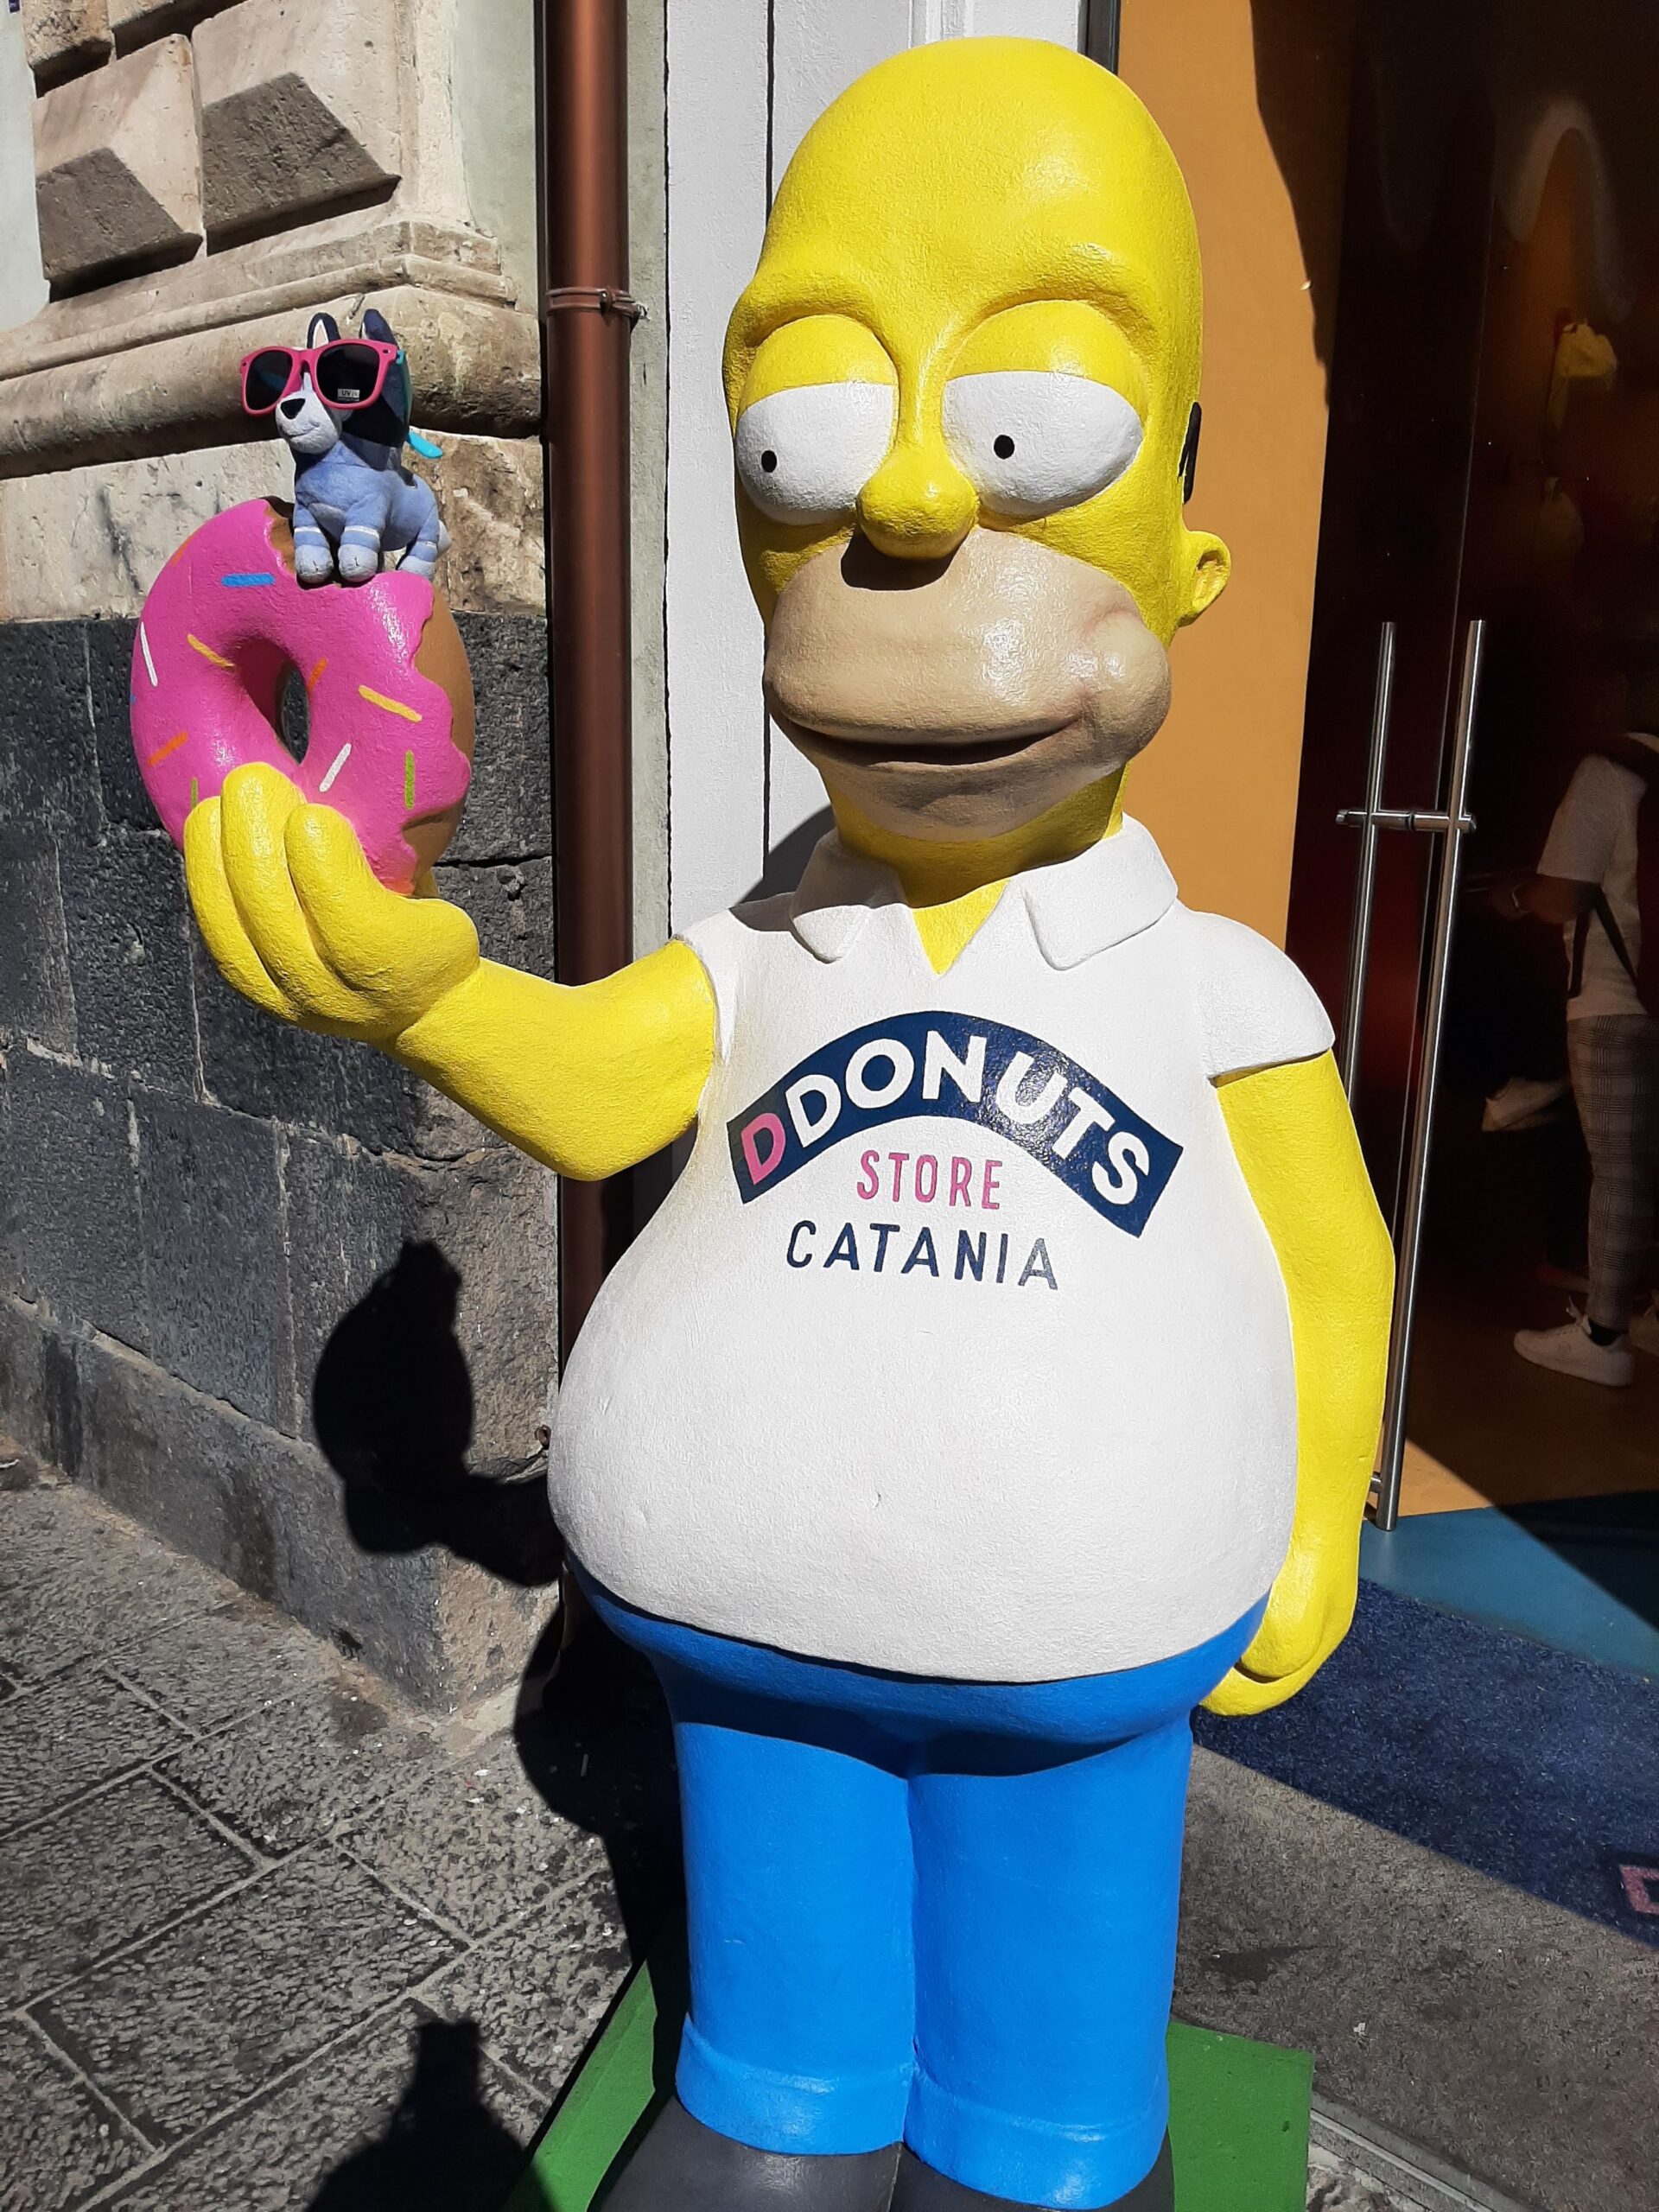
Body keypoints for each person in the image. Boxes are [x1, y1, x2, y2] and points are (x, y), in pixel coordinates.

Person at [180, 42, 1391, 2212]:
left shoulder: (1214, 990)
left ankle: (1036, 2134)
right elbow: (609, 1074)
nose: (910, 508)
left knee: (1038, 2038)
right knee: (786, 2028)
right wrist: (435, 995)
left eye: (1027, 433)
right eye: (809, 438)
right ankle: (787, 2089)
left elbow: (1329, 1260)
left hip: (1067, 1653)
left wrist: (1314, 1513)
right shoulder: (759, 942)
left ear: (1193, 556)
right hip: (742, 1636)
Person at [1501, 676, 1659, 1385]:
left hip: (1611, 1001)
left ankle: (1603, 1336)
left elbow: (1564, 894)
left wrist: (1515, 896)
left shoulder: (1606, 772)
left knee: (1618, 1171)